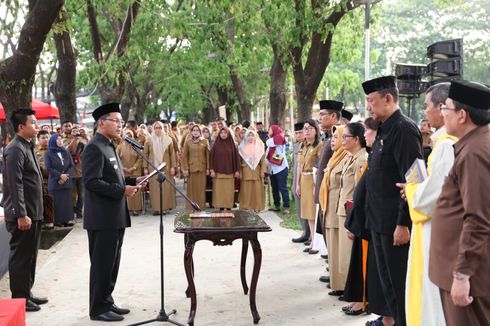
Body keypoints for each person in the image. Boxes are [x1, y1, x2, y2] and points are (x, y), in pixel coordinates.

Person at [363, 76, 423, 326]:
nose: (368, 107)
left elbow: (414, 179)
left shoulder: (405, 130)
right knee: (387, 284)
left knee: (399, 286)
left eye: (371, 101)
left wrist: (403, 223)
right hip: (378, 220)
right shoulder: (384, 127)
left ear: (388, 98)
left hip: (394, 225)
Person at [429, 80, 490, 326]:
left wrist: (462, 274)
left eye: (447, 108)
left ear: (462, 115)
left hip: (470, 276)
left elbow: (478, 219)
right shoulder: (473, 144)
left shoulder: (475, 152)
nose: (443, 113)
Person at [395, 82, 454, 326]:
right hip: (431, 230)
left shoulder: (448, 146)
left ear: (442, 108)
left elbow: (430, 198)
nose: (425, 112)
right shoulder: (443, 142)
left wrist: (410, 190)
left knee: (433, 301)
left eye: (427, 105)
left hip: (436, 232)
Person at [82, 102, 145, 322]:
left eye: (120, 121)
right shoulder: (94, 147)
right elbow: (91, 182)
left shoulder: (109, 145)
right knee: (101, 264)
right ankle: (98, 308)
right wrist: (122, 190)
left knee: (112, 263)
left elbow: (112, 177)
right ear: (102, 123)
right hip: (102, 218)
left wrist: (132, 181)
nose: (120, 125)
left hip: (115, 215)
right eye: (116, 120)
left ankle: (106, 300)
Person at [2, 108, 47, 312]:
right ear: (22, 126)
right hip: (23, 213)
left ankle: (27, 292)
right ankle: (19, 297)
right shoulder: (14, 149)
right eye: (33, 122)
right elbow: (14, 183)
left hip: (33, 211)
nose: (37, 126)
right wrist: (21, 214)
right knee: (21, 256)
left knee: (31, 255)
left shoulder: (28, 146)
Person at [335, 122, 368, 313]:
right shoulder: (351, 157)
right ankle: (355, 298)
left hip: (352, 212)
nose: (342, 140)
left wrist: (354, 220)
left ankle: (360, 301)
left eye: (346, 136)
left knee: (352, 259)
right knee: (347, 259)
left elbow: (359, 192)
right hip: (345, 211)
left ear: (356, 139)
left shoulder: (362, 159)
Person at [319, 125, 350, 295]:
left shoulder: (347, 158)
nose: (333, 141)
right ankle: (336, 283)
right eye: (333, 138)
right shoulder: (334, 158)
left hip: (339, 210)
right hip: (329, 208)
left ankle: (343, 286)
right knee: (332, 247)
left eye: (336, 137)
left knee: (340, 249)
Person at [315, 100, 343, 281]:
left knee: (334, 237)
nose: (319, 118)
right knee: (326, 234)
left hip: (333, 195)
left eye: (323, 114)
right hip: (324, 194)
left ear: (333, 116)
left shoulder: (341, 136)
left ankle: (337, 273)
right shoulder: (328, 136)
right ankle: (332, 269)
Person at [296, 119, 322, 254]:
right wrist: (297, 184)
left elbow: (318, 168)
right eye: (305, 129)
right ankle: (312, 240)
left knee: (313, 213)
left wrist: (315, 186)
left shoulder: (319, 146)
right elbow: (299, 166)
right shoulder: (302, 146)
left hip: (313, 180)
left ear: (316, 130)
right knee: (307, 213)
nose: (306, 131)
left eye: (309, 128)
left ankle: (316, 243)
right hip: (304, 180)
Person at [144, 121, 177, 215]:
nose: (158, 129)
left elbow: (172, 154)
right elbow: (145, 154)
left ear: (163, 128)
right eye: (156, 128)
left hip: (165, 167)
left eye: (160, 127)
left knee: (165, 188)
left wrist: (173, 167)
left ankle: (164, 208)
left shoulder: (168, 139)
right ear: (153, 129)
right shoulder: (148, 140)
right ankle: (156, 209)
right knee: (154, 188)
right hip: (152, 167)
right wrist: (145, 167)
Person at [45, 133, 75, 227]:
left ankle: (67, 219)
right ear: (53, 141)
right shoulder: (48, 153)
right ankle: (57, 220)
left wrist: (65, 176)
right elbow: (49, 168)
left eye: (61, 139)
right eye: (58, 139)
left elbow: (71, 165)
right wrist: (59, 176)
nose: (60, 141)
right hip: (55, 181)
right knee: (57, 202)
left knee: (66, 201)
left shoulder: (66, 152)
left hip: (66, 181)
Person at [209, 127, 240, 210]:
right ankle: (221, 206)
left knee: (228, 191)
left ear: (228, 134)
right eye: (222, 133)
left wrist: (237, 170)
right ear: (219, 134)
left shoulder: (232, 145)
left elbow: (236, 158)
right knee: (219, 191)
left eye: (225, 133)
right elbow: (211, 158)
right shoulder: (216, 145)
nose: (223, 134)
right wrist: (211, 170)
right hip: (218, 173)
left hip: (230, 173)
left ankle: (228, 206)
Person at [181, 125, 209, 211]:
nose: (195, 132)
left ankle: (201, 208)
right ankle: (191, 208)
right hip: (191, 169)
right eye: (194, 130)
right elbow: (184, 156)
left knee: (201, 190)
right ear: (192, 132)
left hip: (202, 169)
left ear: (200, 132)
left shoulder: (205, 141)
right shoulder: (188, 142)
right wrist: (185, 168)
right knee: (191, 190)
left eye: (197, 130)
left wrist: (208, 168)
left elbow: (208, 156)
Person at [238, 129, 267, 212]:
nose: (250, 137)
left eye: (252, 135)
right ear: (245, 137)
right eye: (248, 135)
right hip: (245, 172)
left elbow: (262, 161)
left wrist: (262, 171)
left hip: (256, 172)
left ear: (255, 137)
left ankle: (257, 207)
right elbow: (239, 161)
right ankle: (246, 207)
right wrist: (240, 172)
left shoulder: (259, 148)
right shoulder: (241, 148)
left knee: (257, 190)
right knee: (246, 190)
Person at [291, 122, 310, 243]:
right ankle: (304, 231)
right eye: (296, 133)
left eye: (300, 132)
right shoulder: (296, 146)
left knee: (307, 208)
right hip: (295, 179)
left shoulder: (308, 145)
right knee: (299, 208)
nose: (298, 135)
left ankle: (310, 234)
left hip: (305, 179)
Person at [117, 129, 143, 216]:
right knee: (126, 190)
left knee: (136, 190)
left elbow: (140, 158)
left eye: (130, 135)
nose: (128, 136)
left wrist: (134, 167)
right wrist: (124, 168)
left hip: (135, 171)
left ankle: (136, 209)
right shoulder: (120, 146)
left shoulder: (135, 146)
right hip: (124, 172)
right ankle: (127, 209)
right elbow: (117, 159)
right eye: (126, 135)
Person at [265, 125, 290, 213]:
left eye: (270, 129)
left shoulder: (279, 138)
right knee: (274, 188)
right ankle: (277, 205)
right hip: (273, 168)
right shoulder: (274, 140)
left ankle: (286, 207)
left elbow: (268, 142)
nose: (268, 131)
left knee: (282, 188)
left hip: (281, 168)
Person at [35, 130, 54, 229]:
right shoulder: (35, 152)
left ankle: (51, 220)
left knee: (50, 199)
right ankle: (45, 219)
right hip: (40, 180)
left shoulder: (55, 150)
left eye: (47, 137)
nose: (46, 139)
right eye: (43, 138)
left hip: (54, 178)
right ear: (38, 139)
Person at [67, 125, 85, 219]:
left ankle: (79, 211)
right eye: (73, 131)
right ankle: (70, 211)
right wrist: (74, 139)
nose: (75, 133)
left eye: (77, 131)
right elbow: (67, 150)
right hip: (71, 172)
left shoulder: (83, 142)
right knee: (71, 194)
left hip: (81, 172)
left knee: (81, 194)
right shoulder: (67, 141)